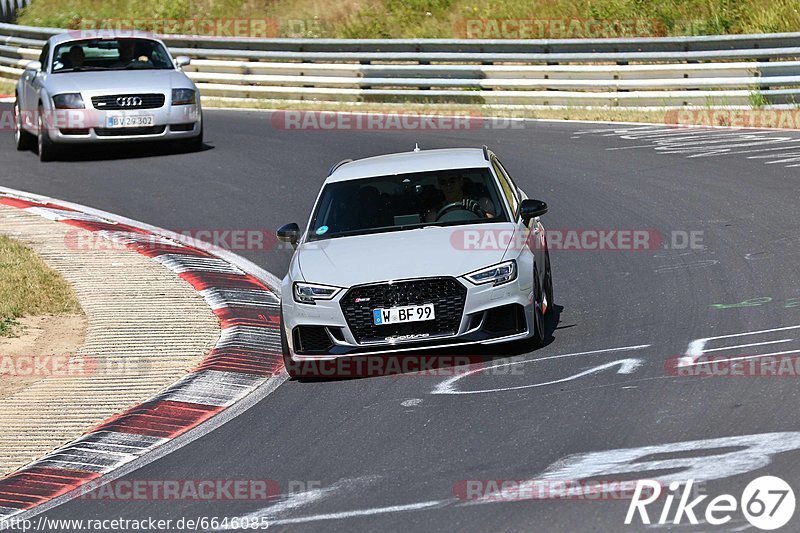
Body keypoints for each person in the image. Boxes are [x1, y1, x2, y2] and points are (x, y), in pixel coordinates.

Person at [425, 174, 495, 222]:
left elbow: (493, 225)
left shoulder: (482, 203)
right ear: (439, 186)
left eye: (452, 181)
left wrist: (482, 213)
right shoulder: (434, 214)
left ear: (461, 181)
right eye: (443, 182)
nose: (448, 186)